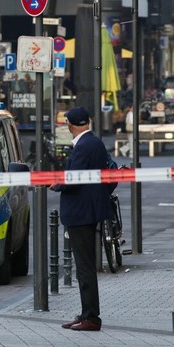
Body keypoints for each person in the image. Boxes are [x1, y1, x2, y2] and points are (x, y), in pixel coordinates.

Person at [50, 107, 113, 332]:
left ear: (70, 124)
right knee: (85, 265)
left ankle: (91, 317)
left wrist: (56, 184)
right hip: (90, 210)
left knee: (84, 267)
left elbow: (74, 179)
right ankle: (87, 313)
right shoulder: (94, 142)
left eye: (67, 122)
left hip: (81, 213)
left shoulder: (83, 146)